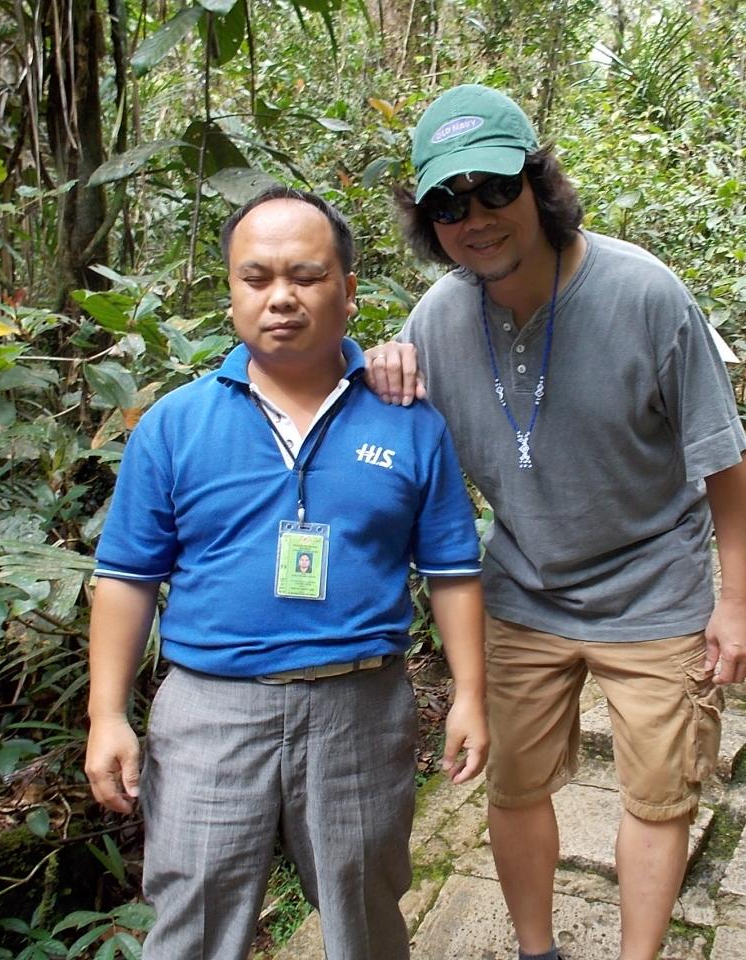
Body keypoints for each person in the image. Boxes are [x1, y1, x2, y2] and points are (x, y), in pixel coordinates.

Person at [364, 84, 746, 960]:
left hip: (656, 590)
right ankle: (535, 950)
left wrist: (737, 603)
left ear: (538, 185)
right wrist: (383, 369)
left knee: (659, 795)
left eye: (494, 189)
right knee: (514, 786)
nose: (476, 218)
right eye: (448, 204)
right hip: (523, 590)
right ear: (428, 223)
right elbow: (385, 460)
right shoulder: (435, 322)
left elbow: (725, 464)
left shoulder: (646, 294)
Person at [84, 186, 488, 960]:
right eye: (257, 277)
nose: (281, 297)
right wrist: (107, 713)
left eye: (305, 276)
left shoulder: (409, 422)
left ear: (347, 289)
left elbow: (452, 570)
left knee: (366, 916)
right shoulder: (174, 425)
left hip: (360, 709)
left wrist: (470, 693)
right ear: (231, 291)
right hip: (209, 712)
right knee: (194, 922)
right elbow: (127, 576)